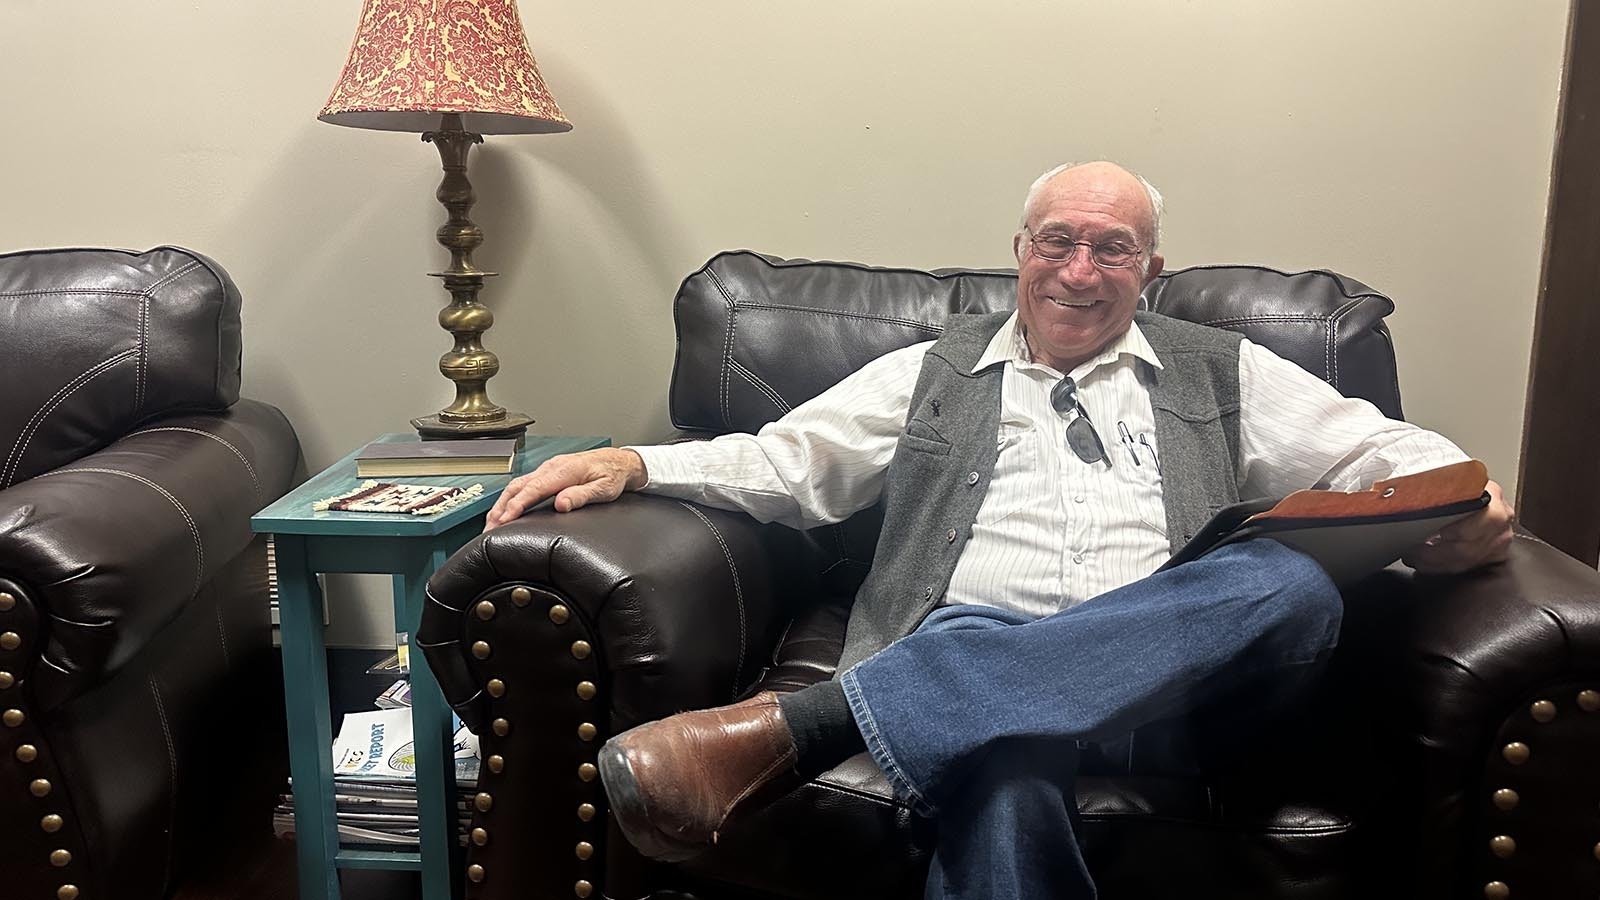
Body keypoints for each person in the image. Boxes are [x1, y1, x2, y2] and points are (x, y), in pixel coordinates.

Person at [482, 161, 1515, 899]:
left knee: (1288, 587)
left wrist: (1465, 505)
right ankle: (952, 702)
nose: (1080, 269)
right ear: (1019, 252)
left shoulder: (1223, 367)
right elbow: (783, 461)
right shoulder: (936, 369)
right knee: (1006, 749)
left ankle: (797, 733)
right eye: (1057, 241)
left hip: (1189, 693)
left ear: (1149, 270)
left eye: (1112, 248)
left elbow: (1382, 454)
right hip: (972, 669)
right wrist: (636, 461)